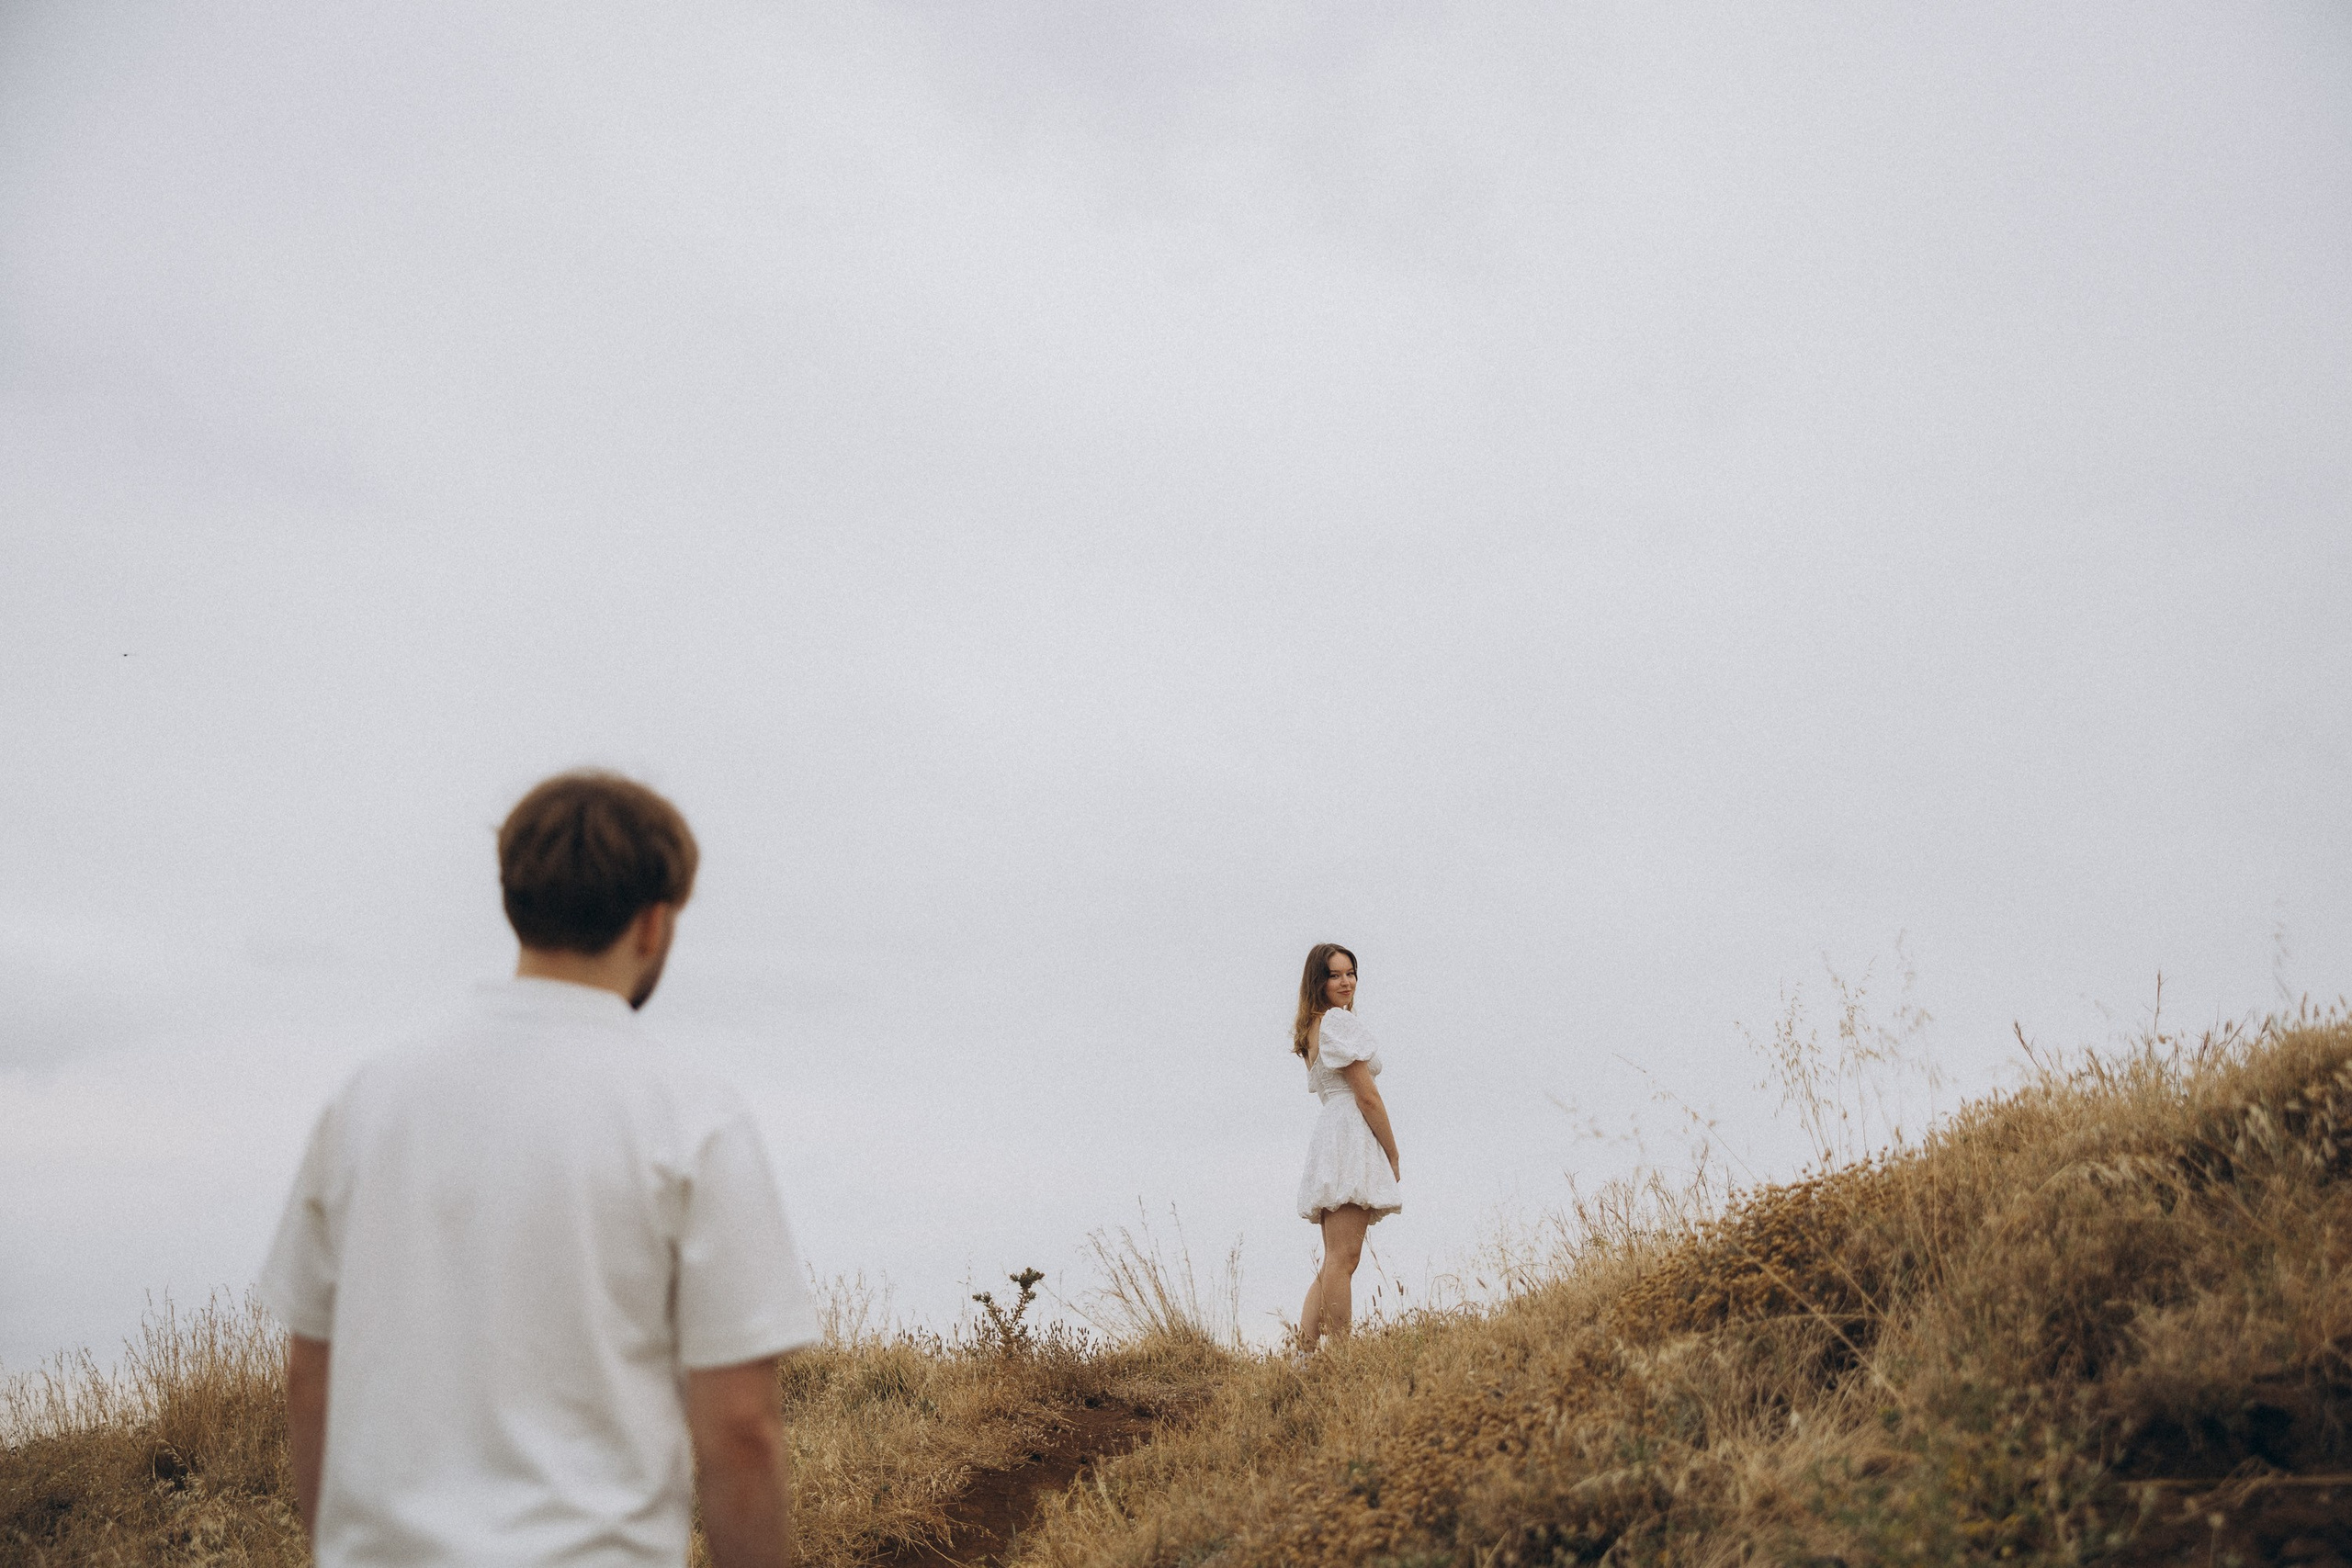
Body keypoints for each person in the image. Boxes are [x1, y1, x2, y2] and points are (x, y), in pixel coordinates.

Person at [258, 771, 821, 1568]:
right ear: (654, 923)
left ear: (514, 904)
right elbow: (740, 1427)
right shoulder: (695, 1115)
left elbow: (308, 1371)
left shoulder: (369, 1097)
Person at [1291, 942, 1401, 1352]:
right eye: (1335, 975)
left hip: (1332, 1132)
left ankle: (1303, 1356)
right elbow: (1367, 1095)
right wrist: (1391, 1151)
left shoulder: (1317, 1025)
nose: (1346, 982)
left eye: (1351, 973)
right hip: (1349, 1132)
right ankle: (1342, 1355)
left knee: (1336, 1258)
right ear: (1318, 982)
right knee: (1345, 1257)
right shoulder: (1337, 1022)